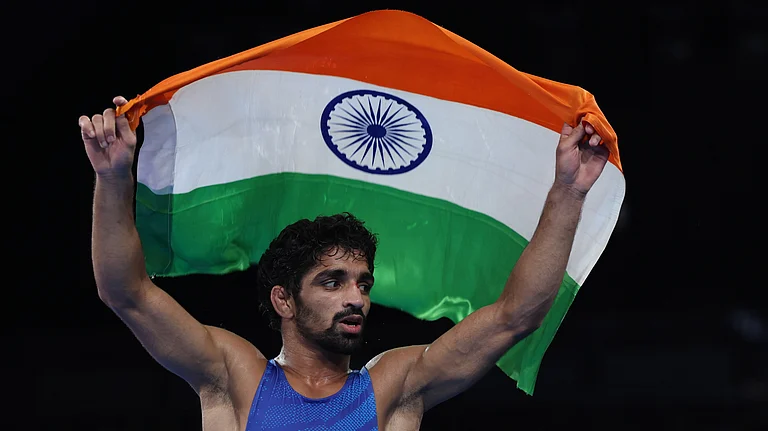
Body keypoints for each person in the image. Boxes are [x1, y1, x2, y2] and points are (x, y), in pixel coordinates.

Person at [80, 95, 609, 431]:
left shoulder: (396, 388)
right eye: (331, 282)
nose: (356, 297)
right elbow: (125, 291)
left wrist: (568, 191)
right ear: (283, 298)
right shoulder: (232, 377)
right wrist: (112, 178)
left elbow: (517, 315)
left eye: (361, 282)